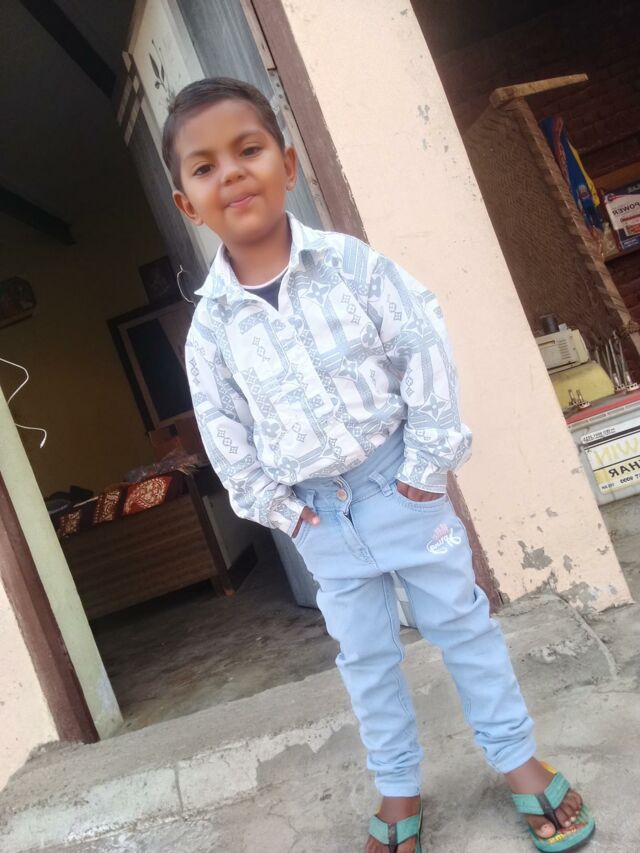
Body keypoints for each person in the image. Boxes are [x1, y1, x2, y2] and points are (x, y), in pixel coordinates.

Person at [163, 77, 594, 853]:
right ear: (186, 203)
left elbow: (422, 348)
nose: (230, 173)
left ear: (287, 163)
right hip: (318, 516)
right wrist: (285, 512)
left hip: (399, 483)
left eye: (248, 149)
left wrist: (424, 468)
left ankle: (517, 760)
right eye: (204, 166)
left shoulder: (352, 267)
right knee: (365, 657)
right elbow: (224, 434)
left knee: (462, 625)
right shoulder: (212, 332)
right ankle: (397, 786)